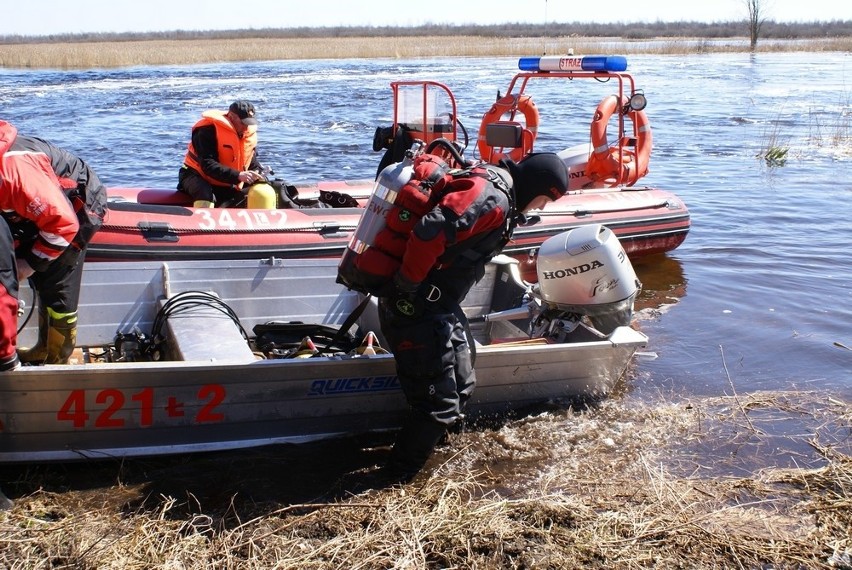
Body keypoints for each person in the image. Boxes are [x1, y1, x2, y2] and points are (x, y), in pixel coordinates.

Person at [377, 152, 570, 482]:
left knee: (464, 378)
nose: (538, 208)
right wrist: (407, 285)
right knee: (438, 403)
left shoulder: (500, 191)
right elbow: (432, 230)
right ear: (537, 187)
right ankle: (396, 479)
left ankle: (433, 449)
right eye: (542, 201)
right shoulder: (492, 197)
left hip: (437, 304)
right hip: (415, 304)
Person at [0, 120, 107, 366]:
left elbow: (64, 224)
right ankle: (42, 347)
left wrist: (29, 263)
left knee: (56, 283)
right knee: (39, 276)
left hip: (76, 207)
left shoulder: (15, 173)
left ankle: (58, 357)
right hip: (34, 209)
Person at [177, 99, 266, 208]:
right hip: (195, 175)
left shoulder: (246, 135)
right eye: (243, 123)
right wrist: (238, 175)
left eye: (249, 123)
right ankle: (200, 222)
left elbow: (251, 162)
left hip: (227, 179)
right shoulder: (206, 130)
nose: (246, 127)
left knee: (265, 187)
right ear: (232, 117)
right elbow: (208, 165)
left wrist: (259, 173)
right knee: (204, 194)